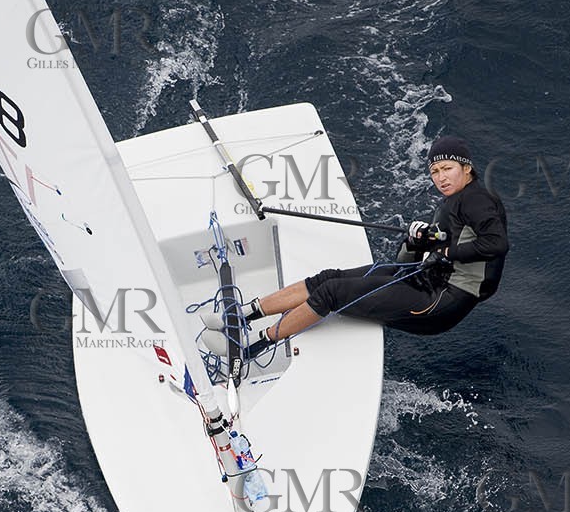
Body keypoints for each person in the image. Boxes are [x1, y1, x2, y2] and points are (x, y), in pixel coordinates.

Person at [201, 134, 508, 358]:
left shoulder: (478, 199)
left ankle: (251, 347)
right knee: (327, 278)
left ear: (466, 168)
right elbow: (406, 258)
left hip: (442, 301)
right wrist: (416, 242)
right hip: (423, 278)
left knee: (332, 293)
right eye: (434, 171)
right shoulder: (452, 202)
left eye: (448, 169)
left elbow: (496, 244)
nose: (440, 177)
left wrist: (444, 252)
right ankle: (242, 315)